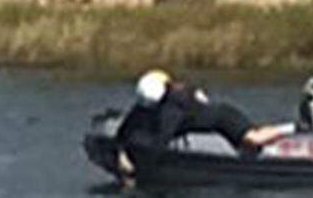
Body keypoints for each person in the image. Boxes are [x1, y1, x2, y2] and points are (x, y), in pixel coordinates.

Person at [115, 70, 293, 179]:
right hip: (209, 113)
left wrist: (138, 165)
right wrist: (122, 150)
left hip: (223, 118)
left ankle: (292, 127)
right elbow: (131, 121)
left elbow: (161, 142)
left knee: (254, 140)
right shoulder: (167, 95)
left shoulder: (173, 110)